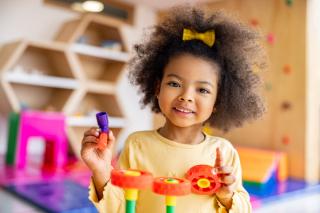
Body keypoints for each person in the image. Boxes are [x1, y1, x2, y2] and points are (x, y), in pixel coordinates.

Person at [81, 5, 267, 213]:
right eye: (175, 84)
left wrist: (227, 195)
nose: (186, 96)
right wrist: (101, 170)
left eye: (203, 90)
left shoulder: (223, 153)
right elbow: (120, 208)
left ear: (218, 101)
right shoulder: (137, 145)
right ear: (157, 88)